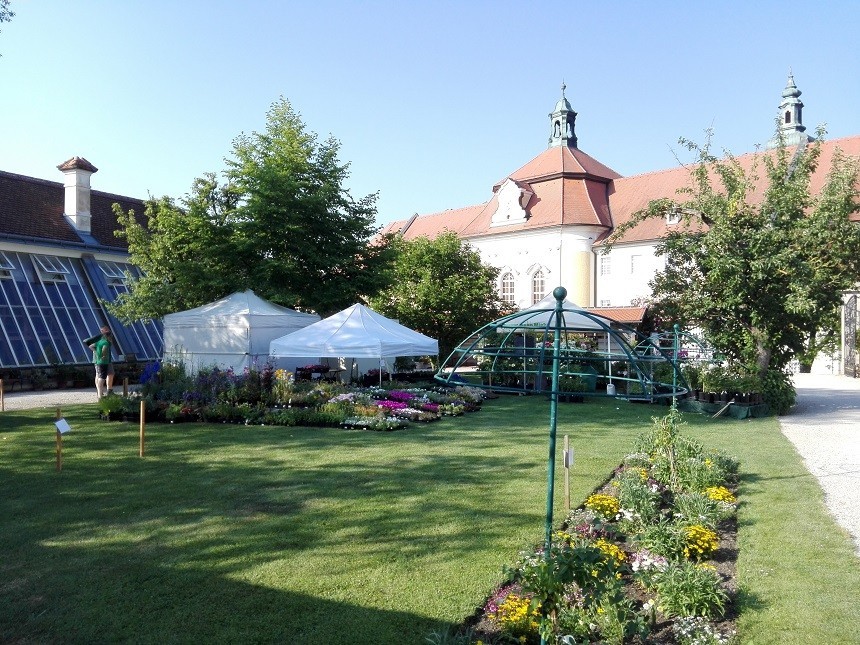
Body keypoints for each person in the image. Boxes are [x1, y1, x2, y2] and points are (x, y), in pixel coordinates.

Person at [85, 325, 114, 397]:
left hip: (107, 359)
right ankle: (99, 392)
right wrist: (96, 352)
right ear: (102, 331)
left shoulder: (108, 337)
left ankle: (109, 390)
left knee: (110, 373)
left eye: (108, 329)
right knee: (99, 375)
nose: (108, 331)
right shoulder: (99, 338)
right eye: (106, 330)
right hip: (99, 360)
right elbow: (87, 342)